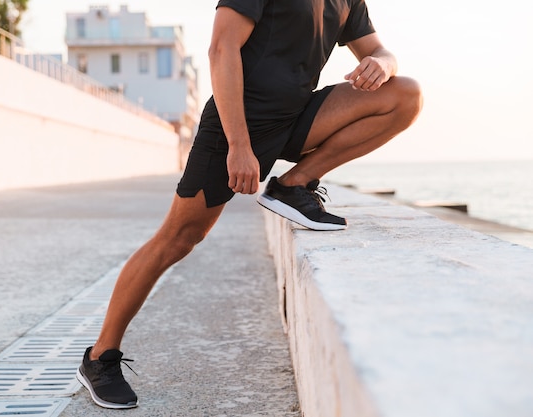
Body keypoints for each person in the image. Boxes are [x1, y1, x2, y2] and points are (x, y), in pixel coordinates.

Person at [76, 0, 423, 409]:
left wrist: (384, 62)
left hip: (297, 115)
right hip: (237, 122)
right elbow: (221, 49)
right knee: (178, 238)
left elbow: (378, 50)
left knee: (405, 94)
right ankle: (100, 357)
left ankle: (294, 183)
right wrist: (239, 146)